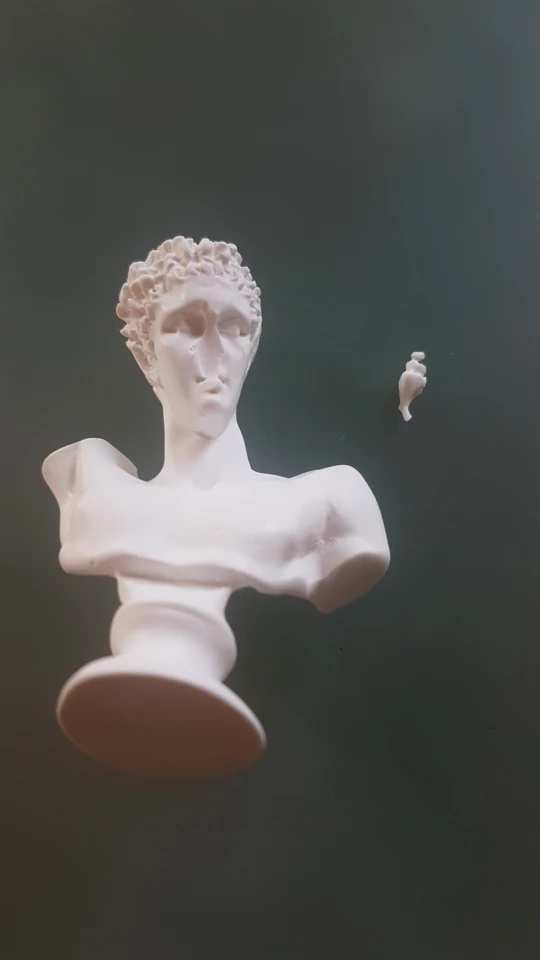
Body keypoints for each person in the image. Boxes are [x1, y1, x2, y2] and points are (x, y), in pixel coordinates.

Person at [42, 236, 390, 780]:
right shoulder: (95, 489)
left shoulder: (327, 505)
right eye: (185, 327)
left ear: (252, 346)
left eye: (233, 330)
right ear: (146, 353)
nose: (213, 360)